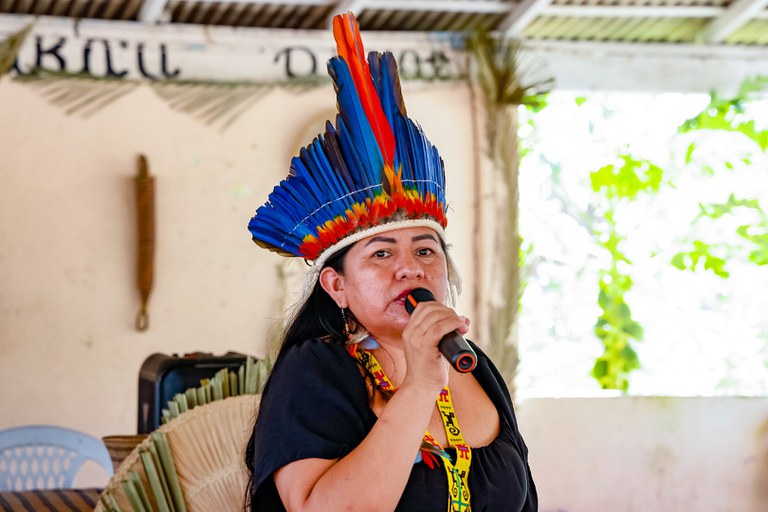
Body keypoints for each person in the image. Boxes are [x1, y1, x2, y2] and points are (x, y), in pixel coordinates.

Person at [244, 12, 537, 512]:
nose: (411, 268)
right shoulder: (317, 369)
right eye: (382, 253)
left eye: (426, 250)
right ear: (336, 286)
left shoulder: (474, 365)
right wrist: (422, 382)